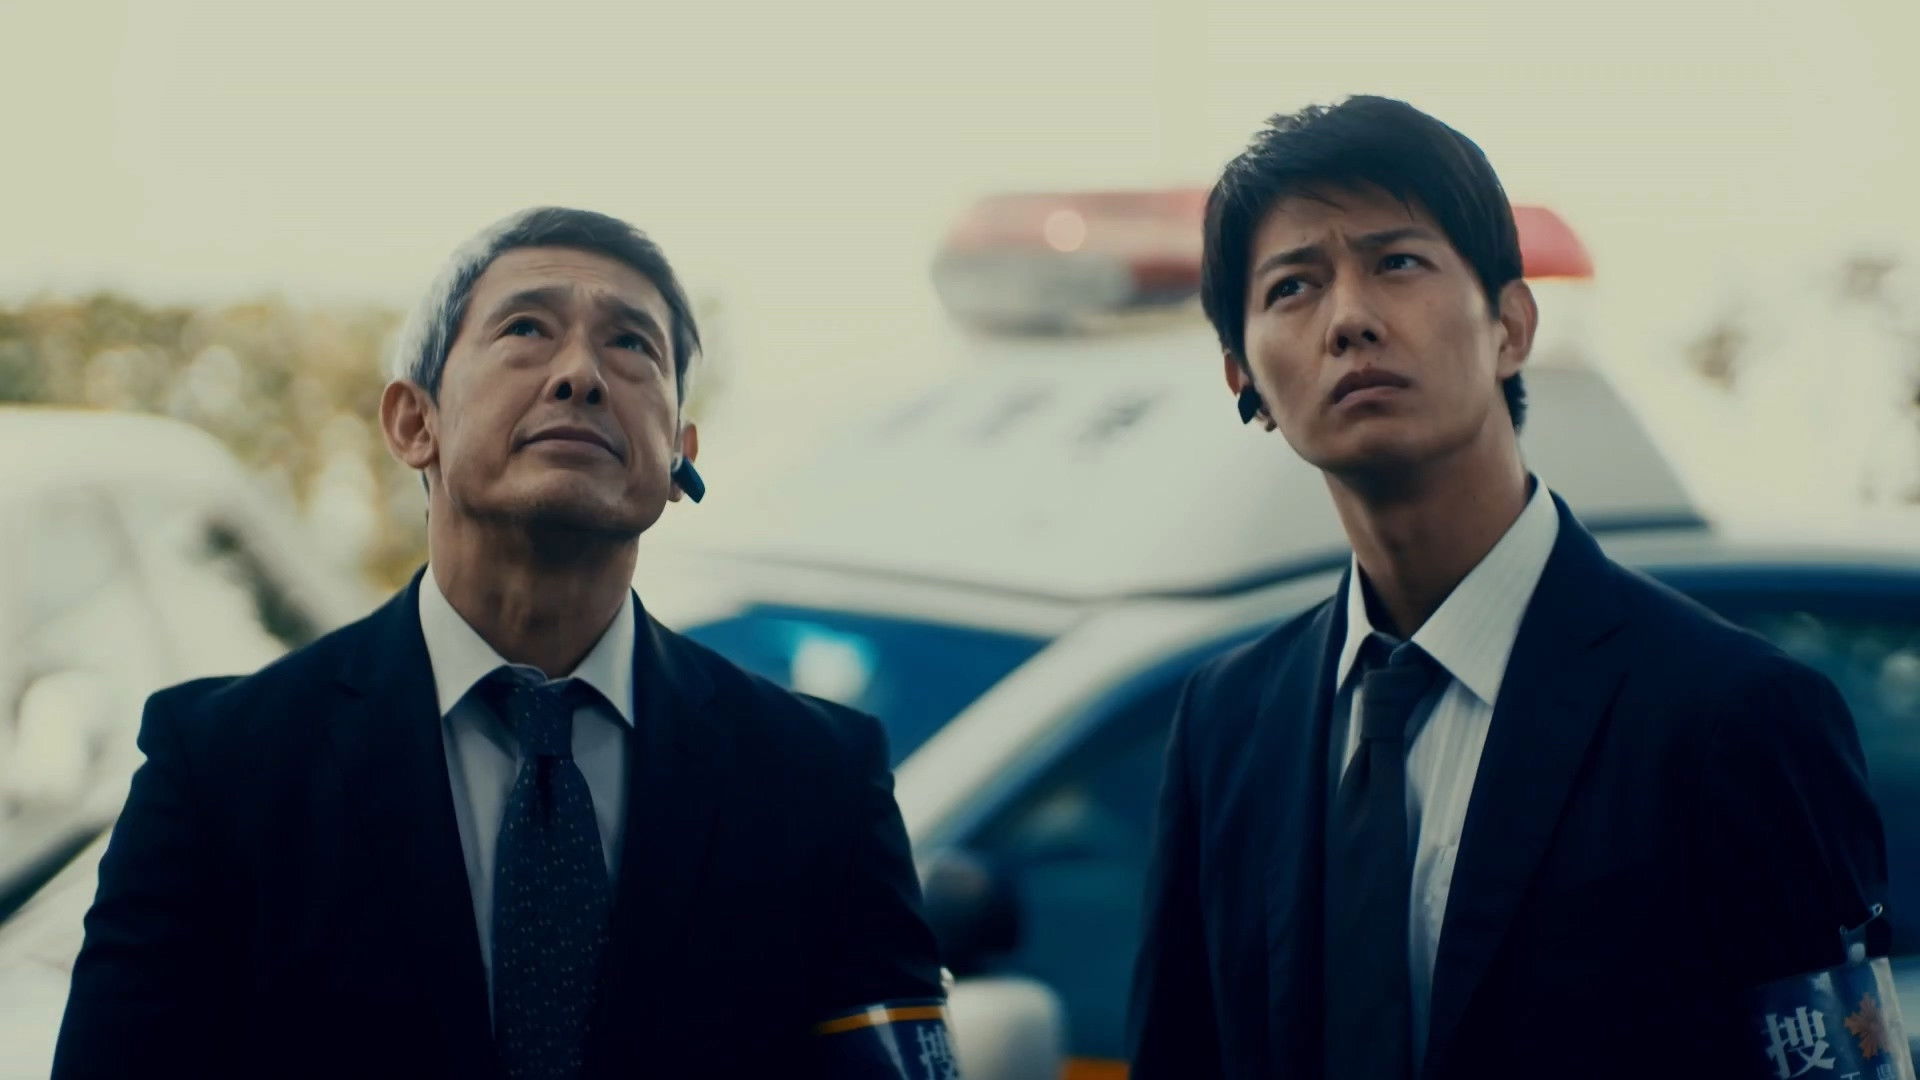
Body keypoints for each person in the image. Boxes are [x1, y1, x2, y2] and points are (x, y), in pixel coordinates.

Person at [54, 207, 945, 1079]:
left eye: (632, 344)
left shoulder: (819, 780)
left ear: (680, 453)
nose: (581, 375)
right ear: (415, 423)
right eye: (526, 329)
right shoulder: (221, 768)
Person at [1126, 96, 1888, 1080]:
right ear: (1245, 380)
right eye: (1293, 287)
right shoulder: (1227, 721)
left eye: (1398, 263)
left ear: (1511, 327)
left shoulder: (1733, 716)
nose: (1350, 319)